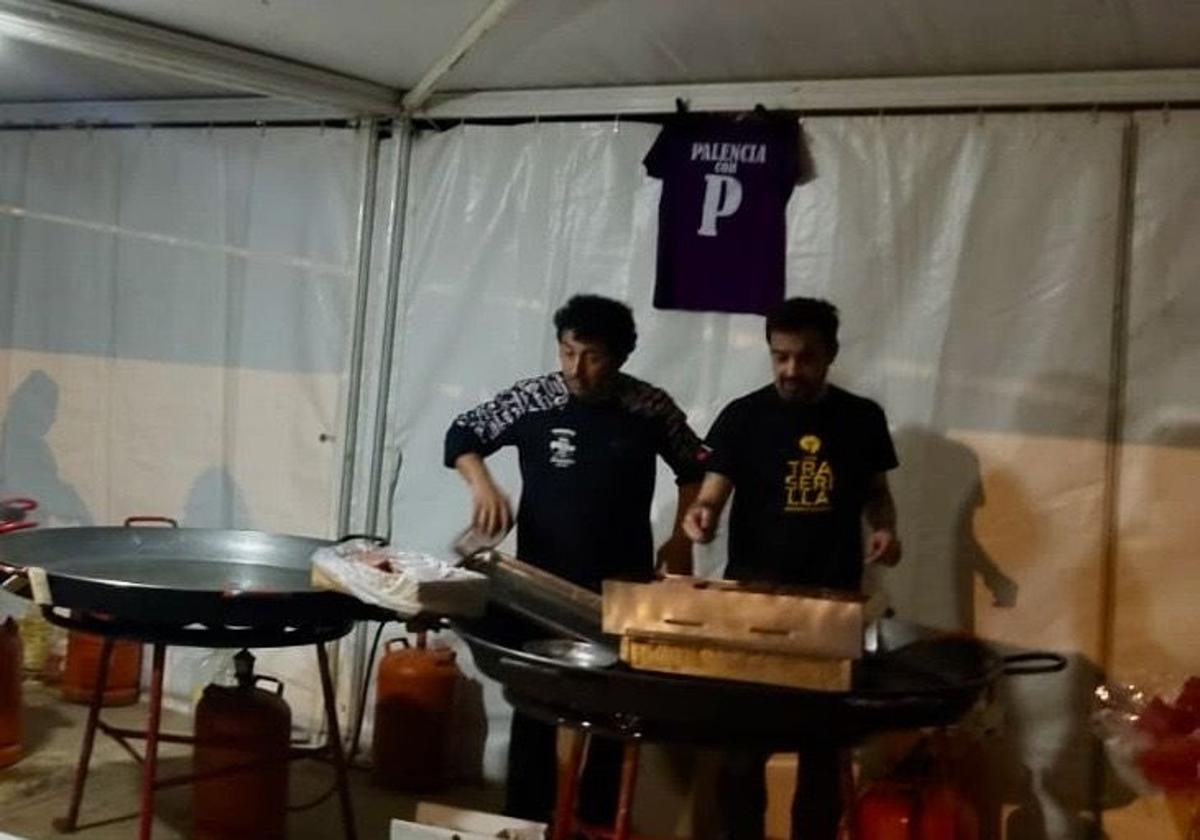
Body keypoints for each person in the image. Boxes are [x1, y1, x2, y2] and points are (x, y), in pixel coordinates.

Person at [444, 293, 704, 825]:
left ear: (621, 356)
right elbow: (462, 433)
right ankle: (525, 820)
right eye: (567, 353)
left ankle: (599, 822)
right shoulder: (536, 398)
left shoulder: (648, 407)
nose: (576, 369)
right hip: (537, 586)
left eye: (592, 357)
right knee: (534, 708)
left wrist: (681, 541)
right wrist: (484, 486)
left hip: (618, 591)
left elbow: (697, 467)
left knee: (612, 712)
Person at [682, 296, 901, 840]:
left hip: (831, 607)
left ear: (830, 355)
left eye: (804, 358)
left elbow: (878, 495)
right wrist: (701, 516)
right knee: (740, 759)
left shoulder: (862, 418)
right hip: (753, 605)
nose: (790, 370)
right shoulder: (743, 416)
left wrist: (885, 528)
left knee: (823, 757)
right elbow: (711, 494)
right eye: (780, 357)